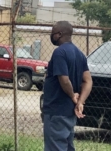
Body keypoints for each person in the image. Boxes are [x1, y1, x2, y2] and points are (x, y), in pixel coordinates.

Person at [42, 21, 92, 151]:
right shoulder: (80, 54)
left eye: (53, 32)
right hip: (69, 113)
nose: (51, 35)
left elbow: (64, 79)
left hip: (56, 110)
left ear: (59, 34)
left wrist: (73, 96)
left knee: (55, 147)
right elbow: (88, 81)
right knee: (67, 146)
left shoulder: (60, 52)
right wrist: (80, 101)